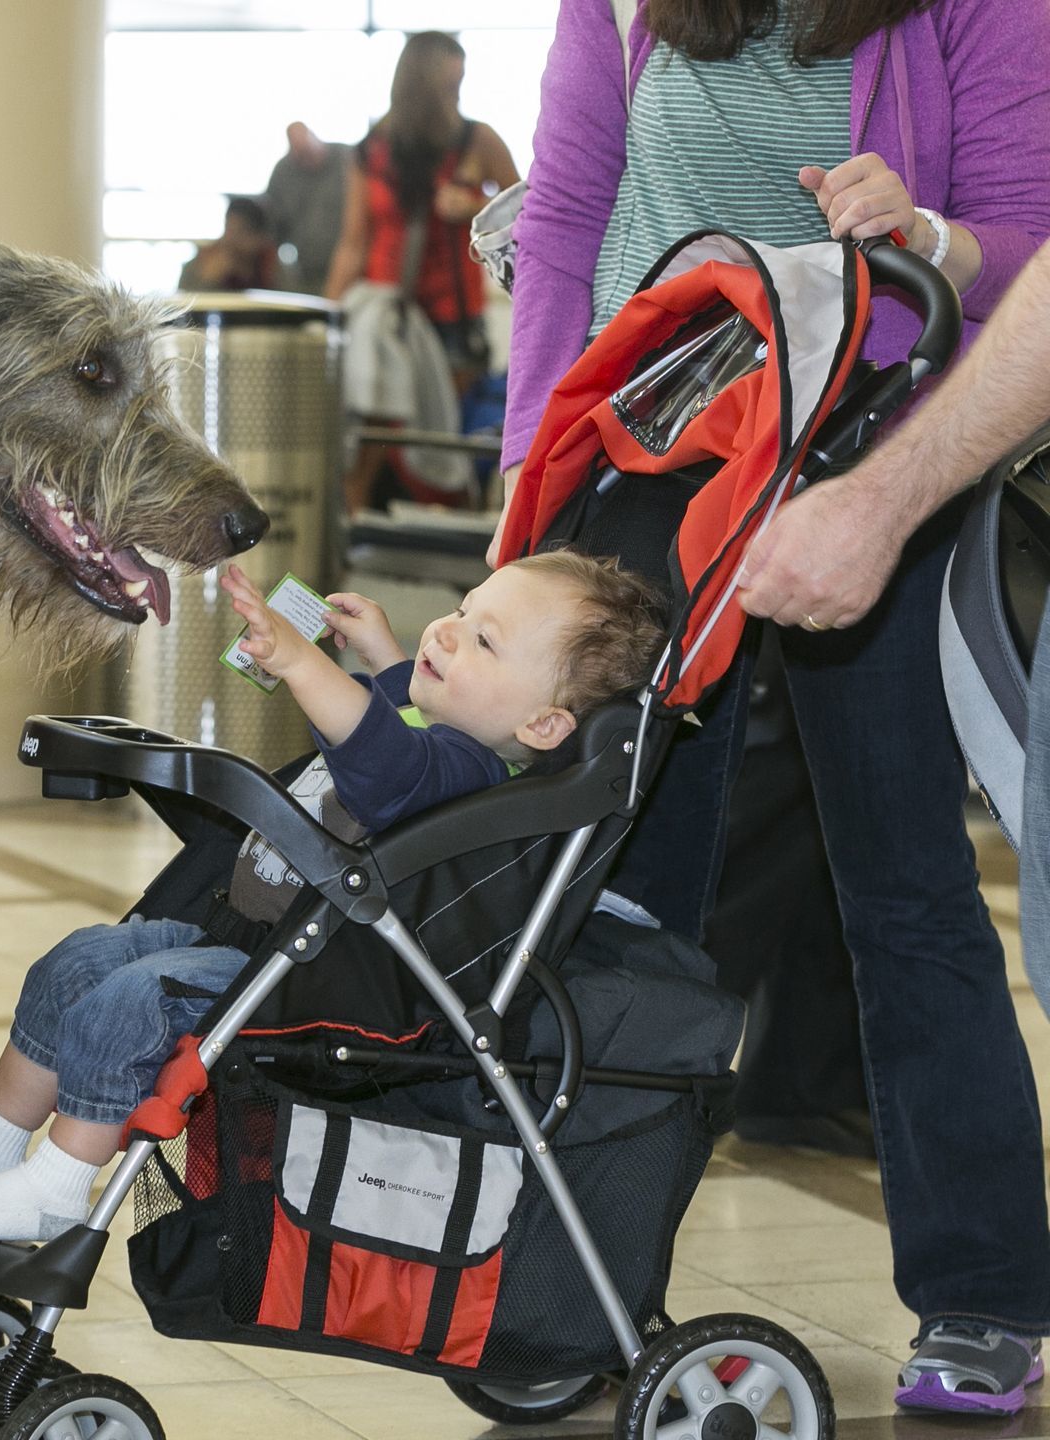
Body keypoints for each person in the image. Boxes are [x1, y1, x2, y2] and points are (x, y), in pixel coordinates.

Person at [500, 0, 1050, 1413]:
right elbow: (565, 219)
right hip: (658, 457)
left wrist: (926, 233)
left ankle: (984, 1292)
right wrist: (531, 493)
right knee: (621, 896)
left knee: (906, 884)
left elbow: (1026, 235)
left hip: (877, 462)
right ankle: (581, 1289)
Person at [0, 553, 667, 1242]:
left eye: (484, 640)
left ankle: (57, 1186)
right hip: (243, 936)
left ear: (544, 725)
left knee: (134, 1000)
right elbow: (406, 726)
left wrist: (301, 663)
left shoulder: (472, 778)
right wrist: (389, 654)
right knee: (77, 961)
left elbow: (389, 761)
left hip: (306, 982)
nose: (449, 631)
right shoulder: (444, 747)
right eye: (462, 609)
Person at [326, 31, 520, 511]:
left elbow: (530, 211)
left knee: (440, 449)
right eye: (448, 86)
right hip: (384, 327)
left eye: (461, 85)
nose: (455, 97)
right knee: (369, 450)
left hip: (451, 324)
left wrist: (474, 204)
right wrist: (325, 321)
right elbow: (353, 244)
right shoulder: (371, 152)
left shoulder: (477, 141)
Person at [257, 121, 352, 296]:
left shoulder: (348, 159)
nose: (306, 161)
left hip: (348, 271)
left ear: (315, 138)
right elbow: (271, 225)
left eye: (308, 153)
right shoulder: (283, 172)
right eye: (300, 156)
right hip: (305, 273)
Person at [178, 195, 287, 292]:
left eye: (240, 233)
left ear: (259, 238)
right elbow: (182, 304)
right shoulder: (204, 260)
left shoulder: (272, 264)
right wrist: (208, 281)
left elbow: (292, 303)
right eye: (228, 229)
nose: (230, 240)